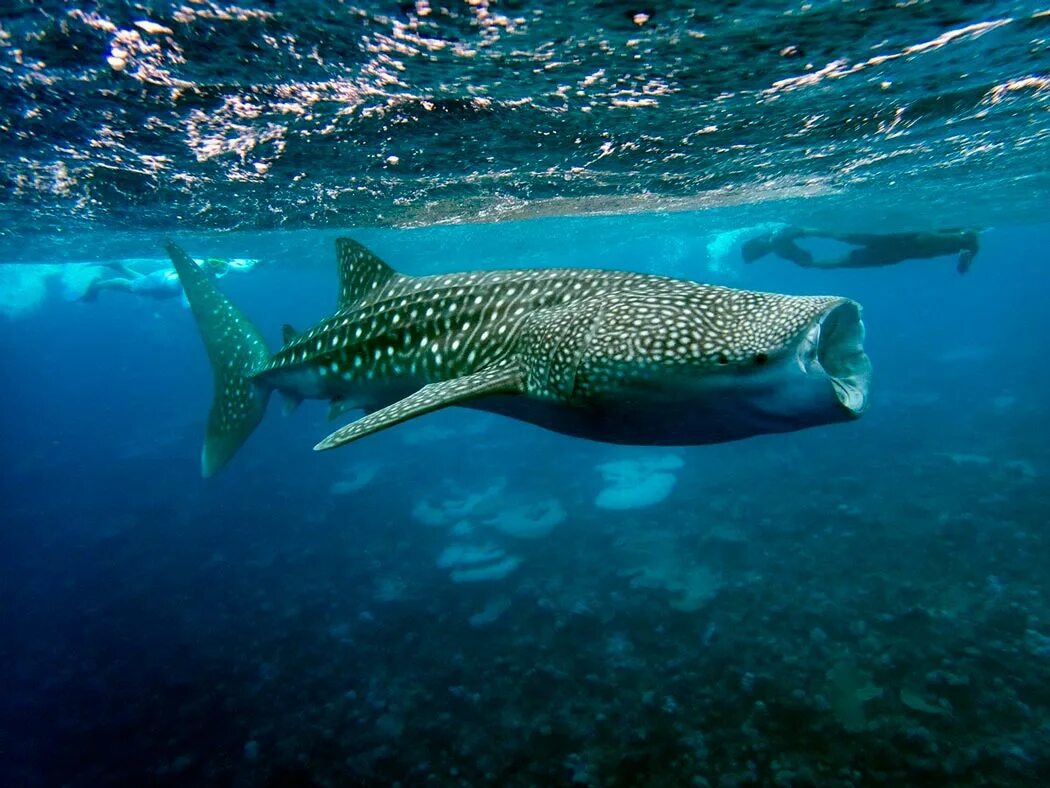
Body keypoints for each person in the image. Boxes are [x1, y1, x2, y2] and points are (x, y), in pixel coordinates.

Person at [742, 227, 980, 274]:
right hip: (896, 242)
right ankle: (962, 239)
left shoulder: (967, 242)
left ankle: (805, 236)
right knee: (843, 249)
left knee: (843, 252)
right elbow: (837, 234)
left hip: (894, 247)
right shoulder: (965, 240)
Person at [77, 256, 258, 302]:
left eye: (221, 264)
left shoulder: (220, 267)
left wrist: (260, 262)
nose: (218, 267)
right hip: (163, 283)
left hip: (164, 283)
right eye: (214, 264)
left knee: (144, 283)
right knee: (132, 286)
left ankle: (118, 266)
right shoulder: (194, 277)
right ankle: (98, 285)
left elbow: (246, 269)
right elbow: (187, 303)